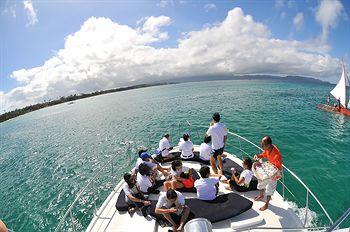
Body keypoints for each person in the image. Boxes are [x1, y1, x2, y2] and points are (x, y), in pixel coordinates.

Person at [253, 136, 282, 211]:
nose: (262, 146)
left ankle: (266, 204)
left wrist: (276, 176)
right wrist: (258, 156)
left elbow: (279, 169)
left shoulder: (276, 156)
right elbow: (264, 155)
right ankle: (261, 195)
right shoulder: (268, 149)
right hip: (269, 168)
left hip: (274, 173)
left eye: (263, 145)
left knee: (270, 190)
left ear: (268, 145)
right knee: (260, 183)